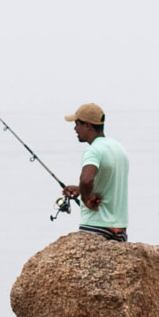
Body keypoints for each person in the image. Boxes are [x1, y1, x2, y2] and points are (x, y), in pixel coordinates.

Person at [62, 102, 129, 240]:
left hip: (95, 225)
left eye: (77, 124)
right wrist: (81, 189)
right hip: (119, 228)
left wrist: (86, 199)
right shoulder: (119, 149)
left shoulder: (93, 151)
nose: (75, 128)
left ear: (87, 125)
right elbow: (107, 182)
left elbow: (87, 179)